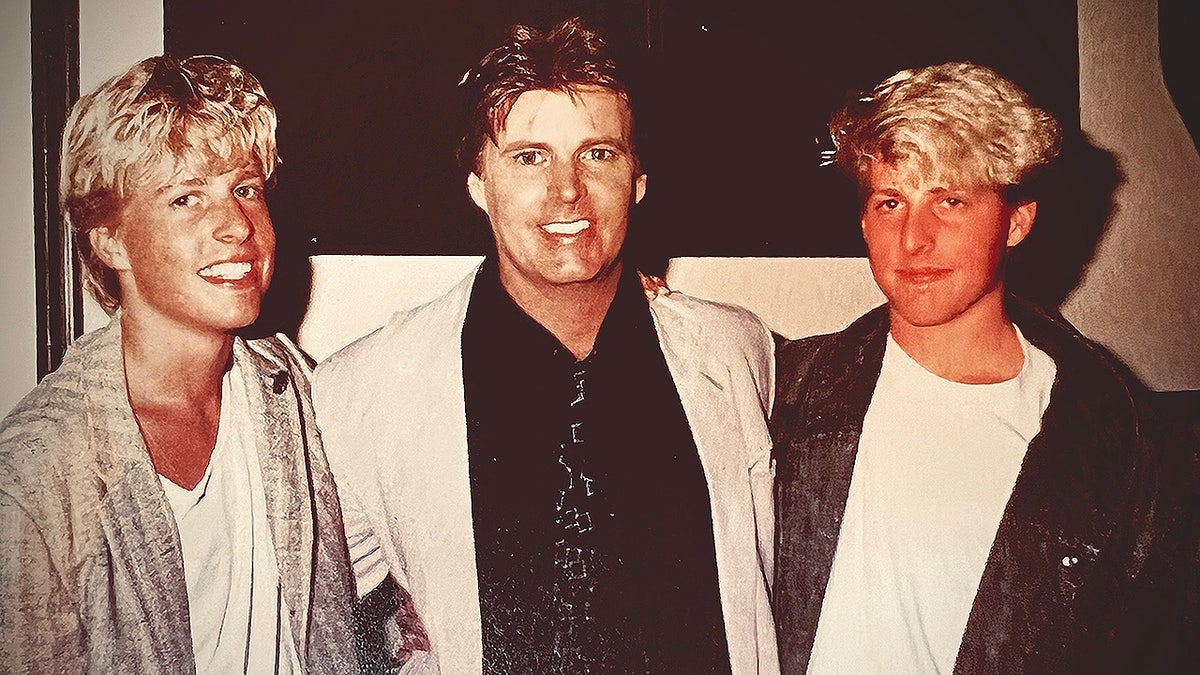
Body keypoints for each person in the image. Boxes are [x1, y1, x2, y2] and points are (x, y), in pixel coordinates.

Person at [312, 16, 779, 674]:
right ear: (480, 182)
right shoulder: (363, 391)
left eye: (598, 153)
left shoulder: (737, 351)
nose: (568, 189)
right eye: (529, 156)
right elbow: (320, 621)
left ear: (638, 179)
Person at [771, 61, 1195, 673]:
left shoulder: (1123, 451)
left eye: (950, 201)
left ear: (1016, 221)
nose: (914, 238)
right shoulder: (789, 387)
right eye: (891, 202)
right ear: (863, 220)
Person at [0, 55, 358, 673]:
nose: (235, 227)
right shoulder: (38, 477)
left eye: (244, 189)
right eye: (186, 197)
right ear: (109, 240)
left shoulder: (290, 389)